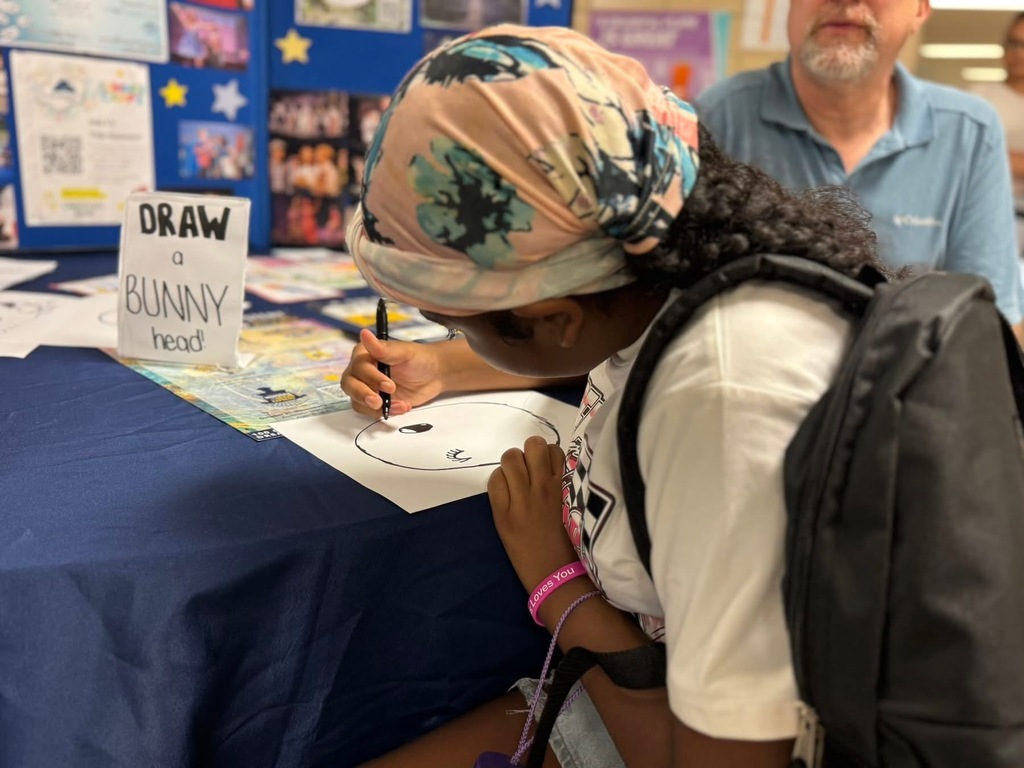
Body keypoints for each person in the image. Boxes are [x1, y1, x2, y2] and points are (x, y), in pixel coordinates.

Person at [341, 25, 887, 768]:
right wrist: (444, 366)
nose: (452, 339)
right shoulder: (669, 270)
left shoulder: (725, 404)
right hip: (644, 687)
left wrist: (555, 583)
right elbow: (604, 342)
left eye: (452, 326)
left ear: (553, 316)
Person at [695, 0, 1024, 345]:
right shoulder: (719, 118)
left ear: (920, 10)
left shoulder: (969, 132)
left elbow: (991, 323)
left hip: (906, 386)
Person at [971, 12, 1024, 252]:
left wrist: (1000, 156)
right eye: (1012, 43)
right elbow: (967, 156)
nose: (1018, 52)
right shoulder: (978, 97)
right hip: (987, 219)